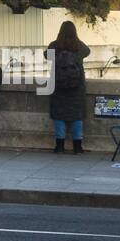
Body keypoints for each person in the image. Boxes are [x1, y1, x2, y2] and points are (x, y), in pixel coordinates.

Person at [47, 19, 90, 154]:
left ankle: (59, 146)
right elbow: (87, 51)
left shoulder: (54, 46)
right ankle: (77, 146)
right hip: (76, 87)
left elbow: (46, 55)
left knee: (59, 116)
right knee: (77, 116)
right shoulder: (79, 46)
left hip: (58, 86)